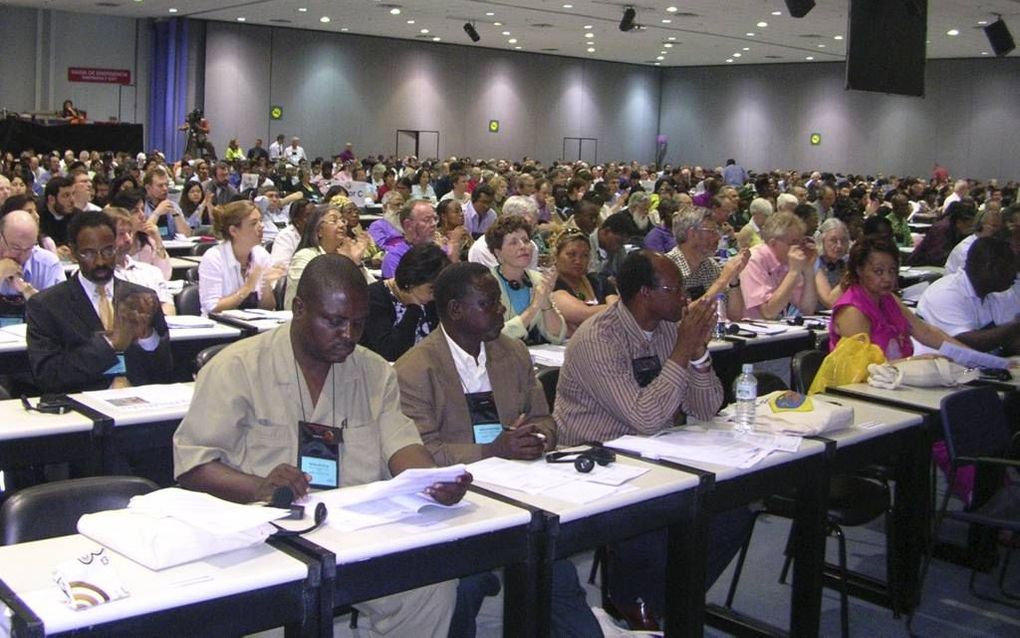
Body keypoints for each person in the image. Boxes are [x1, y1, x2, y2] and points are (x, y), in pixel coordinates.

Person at [173, 254, 468, 637]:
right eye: (334, 321)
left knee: (430, 588)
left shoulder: (374, 371)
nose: (348, 334)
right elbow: (193, 466)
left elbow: (403, 446)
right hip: (264, 534)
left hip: (355, 533)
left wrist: (433, 480)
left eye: (358, 324)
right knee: (262, 619)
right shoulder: (238, 368)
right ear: (298, 308)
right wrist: (258, 486)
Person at [394, 262, 601, 638]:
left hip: (521, 494)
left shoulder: (514, 353)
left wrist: (535, 439)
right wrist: (492, 450)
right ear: (456, 310)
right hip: (453, 505)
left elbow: (546, 420)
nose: (501, 310)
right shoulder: (415, 368)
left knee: (557, 572)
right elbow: (423, 454)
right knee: (463, 589)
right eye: (489, 303)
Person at [554, 250, 747, 629]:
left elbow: (707, 407)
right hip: (598, 459)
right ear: (645, 293)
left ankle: (662, 599)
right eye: (675, 290)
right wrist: (680, 351)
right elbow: (644, 417)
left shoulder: (669, 329)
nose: (684, 300)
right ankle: (638, 602)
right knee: (652, 518)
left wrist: (698, 353)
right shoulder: (600, 338)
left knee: (732, 514)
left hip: (657, 452)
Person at [26, 210, 171, 393]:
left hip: (141, 402)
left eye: (108, 250)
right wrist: (110, 344)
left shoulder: (142, 297)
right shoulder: (47, 305)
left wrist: (147, 336)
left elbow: (165, 370)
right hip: (85, 407)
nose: (100, 261)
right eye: (89, 254)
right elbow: (48, 375)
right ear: (73, 253)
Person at [828, 235, 961, 358]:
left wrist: (969, 355)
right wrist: (914, 362)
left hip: (895, 378)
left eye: (892, 271)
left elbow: (925, 332)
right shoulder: (852, 310)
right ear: (859, 270)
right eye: (878, 272)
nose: (887, 278)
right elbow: (864, 366)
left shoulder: (888, 298)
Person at [915, 237, 1020, 356]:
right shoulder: (945, 293)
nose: (1015, 276)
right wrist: (1015, 326)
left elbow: (1010, 341)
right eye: (1011, 268)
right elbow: (967, 344)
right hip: (942, 368)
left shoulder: (998, 295)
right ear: (989, 267)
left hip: (980, 369)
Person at [361, 244, 448, 361]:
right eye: (431, 288)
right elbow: (390, 352)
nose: (436, 295)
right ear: (411, 282)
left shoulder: (430, 301)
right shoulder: (375, 297)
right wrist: (413, 309)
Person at [486, 215, 565, 344]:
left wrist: (545, 301)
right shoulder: (487, 283)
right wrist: (534, 307)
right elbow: (494, 337)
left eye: (526, 240)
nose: (523, 246)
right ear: (498, 252)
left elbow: (557, 336)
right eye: (513, 242)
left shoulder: (538, 279)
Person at [198, 200, 286, 315]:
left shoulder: (261, 254)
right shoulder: (213, 258)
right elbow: (212, 307)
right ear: (233, 231)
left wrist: (266, 284)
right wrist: (247, 287)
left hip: (253, 326)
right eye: (253, 223)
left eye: (260, 220)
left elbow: (268, 308)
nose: (261, 226)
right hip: (220, 328)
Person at [665, 207, 748, 320]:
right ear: (692, 233)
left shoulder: (711, 266)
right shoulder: (668, 268)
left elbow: (735, 315)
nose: (718, 237)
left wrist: (734, 277)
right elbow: (681, 317)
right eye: (711, 232)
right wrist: (722, 280)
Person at [283, 205, 369, 309]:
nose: (342, 225)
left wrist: (356, 262)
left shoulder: (345, 254)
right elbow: (315, 297)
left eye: (342, 220)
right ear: (319, 230)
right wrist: (344, 267)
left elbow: (370, 290)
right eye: (334, 220)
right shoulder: (305, 257)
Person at [739, 211, 818, 319]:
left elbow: (808, 309)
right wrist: (793, 273)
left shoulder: (786, 261)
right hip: (750, 330)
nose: (798, 248)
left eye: (800, 243)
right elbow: (768, 312)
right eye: (793, 242)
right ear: (773, 243)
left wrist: (808, 269)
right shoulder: (753, 260)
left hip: (777, 330)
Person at [105, 207, 175, 316]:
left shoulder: (151, 271)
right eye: (121, 234)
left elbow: (168, 306)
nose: (128, 239)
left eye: (130, 232)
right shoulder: (98, 276)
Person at [550, 227, 618, 336]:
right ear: (556, 256)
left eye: (585, 255)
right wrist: (609, 310)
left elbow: (620, 310)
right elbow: (584, 314)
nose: (578, 261)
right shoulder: (552, 286)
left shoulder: (600, 282)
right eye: (571, 254)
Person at [0, 210, 64, 317]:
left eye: (29, 248)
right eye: (16, 248)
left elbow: (60, 315)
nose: (22, 255)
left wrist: (29, 292)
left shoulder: (48, 264)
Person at [380, 200, 439, 279]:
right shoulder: (395, 257)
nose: (433, 224)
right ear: (408, 225)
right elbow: (398, 290)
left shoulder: (440, 250)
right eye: (427, 220)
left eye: (435, 219)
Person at [908, 200, 976, 267]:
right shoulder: (942, 228)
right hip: (923, 265)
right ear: (959, 222)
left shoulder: (957, 229)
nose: (971, 229)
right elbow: (937, 255)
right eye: (969, 226)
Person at [143, 167, 191, 239]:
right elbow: (143, 235)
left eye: (166, 185)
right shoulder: (141, 207)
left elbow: (187, 235)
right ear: (148, 188)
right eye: (160, 186)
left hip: (173, 248)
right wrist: (157, 213)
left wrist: (176, 214)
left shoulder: (173, 205)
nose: (165, 189)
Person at [814, 218, 850, 310]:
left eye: (843, 240)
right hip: (808, 317)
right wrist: (850, 275)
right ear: (822, 241)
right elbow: (830, 302)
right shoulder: (814, 262)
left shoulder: (844, 263)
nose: (839, 245)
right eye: (833, 240)